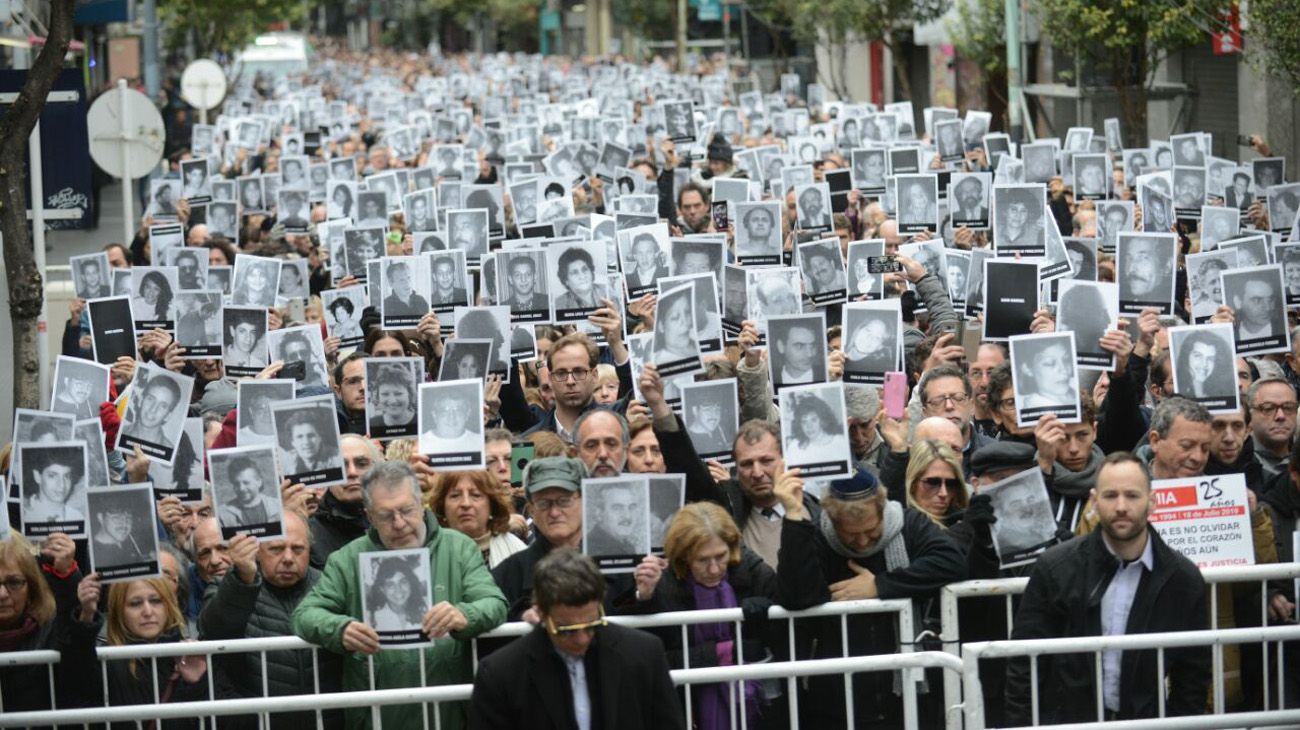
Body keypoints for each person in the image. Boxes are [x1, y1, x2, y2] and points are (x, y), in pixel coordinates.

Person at [293, 462, 506, 729]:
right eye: (385, 515)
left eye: (406, 510)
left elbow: (495, 603)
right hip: (378, 716)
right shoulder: (347, 559)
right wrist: (339, 629)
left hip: (449, 712)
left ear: (422, 503)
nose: (399, 523)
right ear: (369, 516)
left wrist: (464, 614)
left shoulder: (458, 548)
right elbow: (305, 616)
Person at [1005, 452, 1209, 724]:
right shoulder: (1056, 567)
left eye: (1132, 495)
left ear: (1153, 502)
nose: (1121, 506)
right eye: (1111, 495)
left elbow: (1192, 675)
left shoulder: (1182, 578)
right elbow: (1024, 663)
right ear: (1094, 501)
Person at [774, 468, 966, 727]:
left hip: (905, 692)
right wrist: (795, 516)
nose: (864, 542)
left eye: (872, 531)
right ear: (832, 518)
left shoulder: (908, 525)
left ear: (882, 510)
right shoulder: (819, 535)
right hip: (839, 694)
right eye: (851, 535)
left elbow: (952, 562)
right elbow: (797, 596)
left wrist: (880, 585)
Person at [470, 550, 685, 730]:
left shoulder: (643, 654)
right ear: (541, 613)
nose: (581, 639)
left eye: (591, 625)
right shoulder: (501, 674)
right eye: (566, 630)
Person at [624, 502, 779, 729]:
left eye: (721, 556)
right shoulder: (661, 584)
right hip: (683, 710)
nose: (715, 569)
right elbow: (653, 661)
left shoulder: (755, 573)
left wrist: (767, 617)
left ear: (733, 547)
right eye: (702, 560)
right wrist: (723, 653)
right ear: (683, 557)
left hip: (758, 709)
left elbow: (786, 639)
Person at [197, 510, 342, 728]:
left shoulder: (330, 585)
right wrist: (242, 580)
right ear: (256, 551)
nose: (288, 558)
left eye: (298, 549)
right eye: (276, 548)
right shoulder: (227, 586)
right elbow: (213, 631)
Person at [65, 576, 225, 727]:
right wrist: (86, 616)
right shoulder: (108, 665)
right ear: (119, 612)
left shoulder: (195, 655)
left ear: (169, 605)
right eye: (135, 603)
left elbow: (234, 723)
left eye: (156, 601)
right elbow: (78, 689)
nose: (148, 612)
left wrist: (201, 683)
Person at [0, 533, 85, 714]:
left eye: (14, 583)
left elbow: (74, 631)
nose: (2, 594)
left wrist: (66, 575)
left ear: (32, 586)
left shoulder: (50, 631)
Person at [428, 470, 526, 568]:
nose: (466, 503)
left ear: (492, 505)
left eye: (475, 495)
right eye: (455, 496)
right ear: (442, 507)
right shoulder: (429, 555)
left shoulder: (517, 552)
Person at [309, 434, 375, 569]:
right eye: (341, 465)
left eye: (362, 464)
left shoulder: (396, 520)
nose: (352, 472)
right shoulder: (308, 532)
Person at [217, 456, 280, 528]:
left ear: (259, 482)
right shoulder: (222, 514)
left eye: (246, 483)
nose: (241, 488)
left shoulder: (277, 506)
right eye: (236, 484)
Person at [585, 481, 645, 555]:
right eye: (617, 508)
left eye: (631, 507)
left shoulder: (628, 547)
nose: (627, 516)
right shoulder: (590, 549)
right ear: (599, 513)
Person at [1016, 338, 1077, 409]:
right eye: (1050, 363)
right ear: (1027, 369)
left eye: (1066, 359)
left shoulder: (1077, 384)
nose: (1064, 370)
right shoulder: (1034, 407)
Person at [420, 385, 482, 454]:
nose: (451, 417)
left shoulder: (479, 441)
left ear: (467, 414)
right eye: (444, 411)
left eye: (458, 410)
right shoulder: (420, 443)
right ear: (434, 415)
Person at [125, 374, 182, 450]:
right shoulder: (119, 433)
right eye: (150, 399)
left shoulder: (170, 452)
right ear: (141, 400)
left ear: (168, 415)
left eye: (163, 406)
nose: (153, 409)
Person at [785, 391, 844, 463]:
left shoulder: (840, 441)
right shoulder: (794, 447)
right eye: (804, 421)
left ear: (822, 420)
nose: (809, 426)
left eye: (813, 420)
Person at [1175, 329, 1233, 399]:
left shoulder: (1222, 393)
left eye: (1210, 359)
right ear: (1186, 357)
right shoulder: (1177, 391)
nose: (1204, 364)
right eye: (1198, 356)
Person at [92, 495, 147, 565]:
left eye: (128, 518)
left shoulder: (131, 546)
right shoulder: (94, 554)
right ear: (100, 518)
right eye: (117, 518)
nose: (124, 524)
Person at [281, 410, 337, 475]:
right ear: (293, 442)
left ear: (320, 437)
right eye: (300, 437)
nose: (306, 442)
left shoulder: (337, 459)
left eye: (311, 435)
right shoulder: (285, 462)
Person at [368, 364, 417, 435]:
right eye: (385, 394)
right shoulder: (372, 424)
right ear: (378, 396)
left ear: (409, 394)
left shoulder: (421, 422)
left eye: (398, 394)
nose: (392, 401)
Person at [1231, 273, 1282, 339]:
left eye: (1270, 300)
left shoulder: (1283, 331)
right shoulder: (1231, 335)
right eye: (1257, 300)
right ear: (1238, 302)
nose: (1268, 308)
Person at [653, 290, 698, 363]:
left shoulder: (698, 342)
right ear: (661, 326)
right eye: (675, 317)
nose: (685, 321)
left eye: (687, 312)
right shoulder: (659, 361)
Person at [1122, 235, 1172, 302]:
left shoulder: (1175, 309)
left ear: (1167, 267)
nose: (1130, 269)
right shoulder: (1116, 305)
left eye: (1142, 258)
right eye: (1129, 259)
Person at [772, 321, 820, 385]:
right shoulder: (771, 379)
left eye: (812, 346)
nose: (810, 354)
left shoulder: (826, 376)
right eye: (799, 346)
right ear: (781, 347)